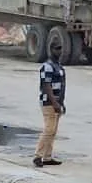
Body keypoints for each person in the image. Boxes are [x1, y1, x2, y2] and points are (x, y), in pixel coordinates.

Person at [33, 40, 66, 168]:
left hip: (57, 102)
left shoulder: (59, 66)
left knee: (53, 131)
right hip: (49, 102)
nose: (59, 51)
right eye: (57, 49)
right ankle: (38, 156)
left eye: (60, 48)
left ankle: (47, 157)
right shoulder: (47, 66)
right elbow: (46, 86)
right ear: (51, 50)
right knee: (49, 129)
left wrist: (61, 103)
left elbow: (62, 86)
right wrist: (55, 103)